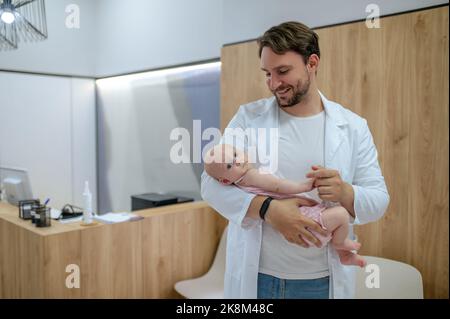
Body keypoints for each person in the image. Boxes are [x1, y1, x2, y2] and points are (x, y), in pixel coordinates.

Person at [201, 21, 389, 299]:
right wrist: (268, 209)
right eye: (267, 73)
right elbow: (210, 183)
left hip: (321, 283)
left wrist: (346, 192)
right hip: (259, 279)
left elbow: (379, 200)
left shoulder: (352, 127)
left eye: (283, 71)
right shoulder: (247, 118)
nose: (274, 83)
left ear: (312, 63)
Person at [204, 143, 367, 268]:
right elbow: (278, 186)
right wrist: (304, 186)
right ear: (225, 181)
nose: (238, 161)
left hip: (299, 218)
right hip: (303, 217)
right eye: (229, 165)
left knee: (336, 217)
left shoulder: (240, 183)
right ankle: (340, 244)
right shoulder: (251, 176)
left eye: (235, 154)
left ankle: (344, 255)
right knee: (341, 215)